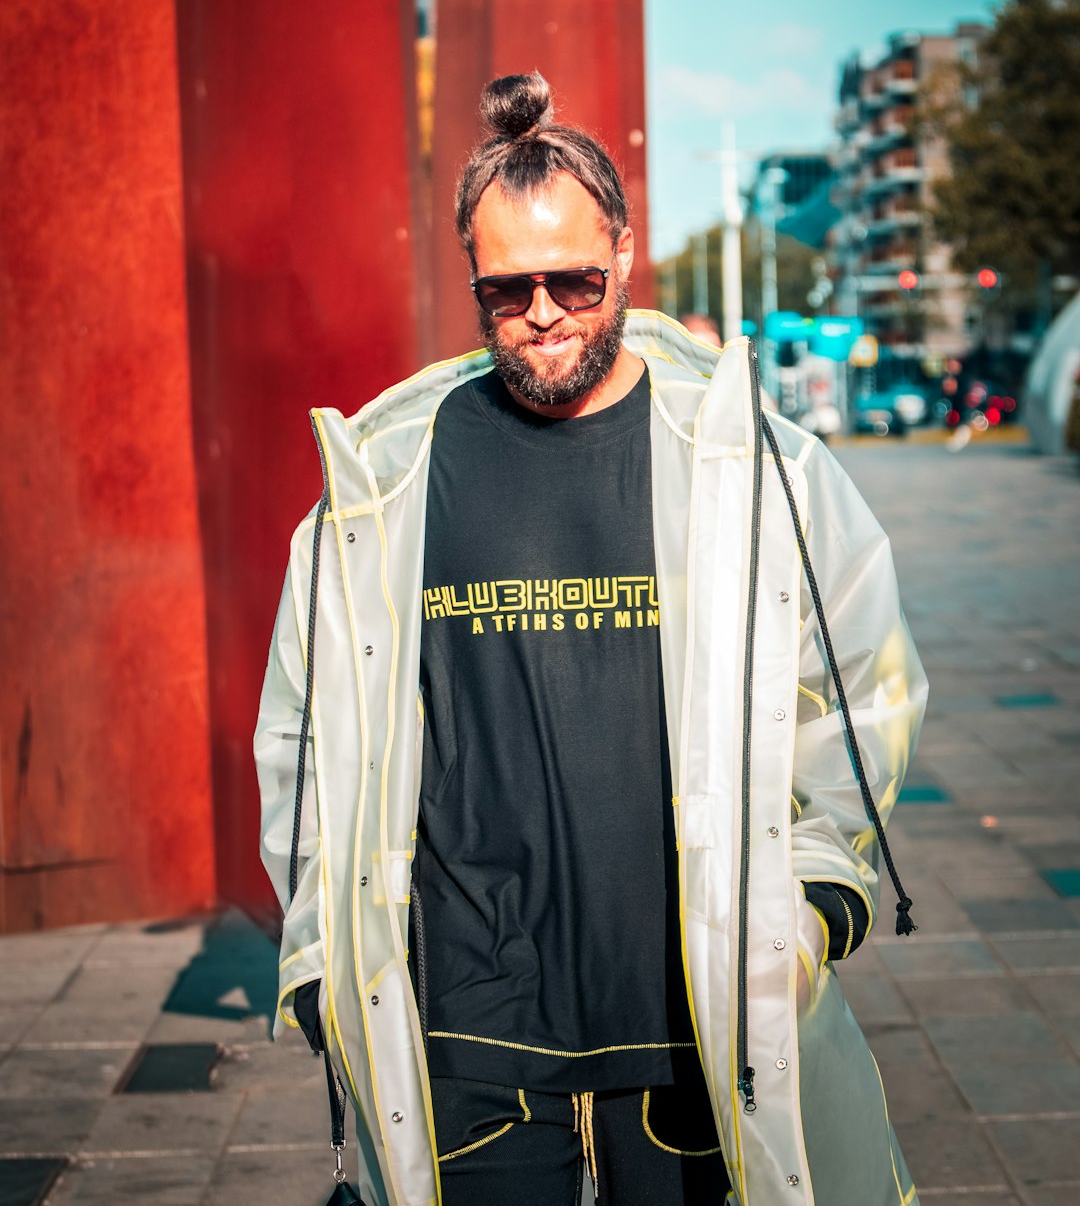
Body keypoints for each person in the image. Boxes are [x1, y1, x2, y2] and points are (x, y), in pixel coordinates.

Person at [255, 73, 928, 1206]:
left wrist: (818, 899)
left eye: (572, 276)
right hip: (463, 1029)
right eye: (506, 288)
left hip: (694, 1021)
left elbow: (861, 690)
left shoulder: (754, 466)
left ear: (622, 248)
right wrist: (328, 956)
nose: (545, 312)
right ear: (471, 279)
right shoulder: (384, 480)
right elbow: (308, 731)